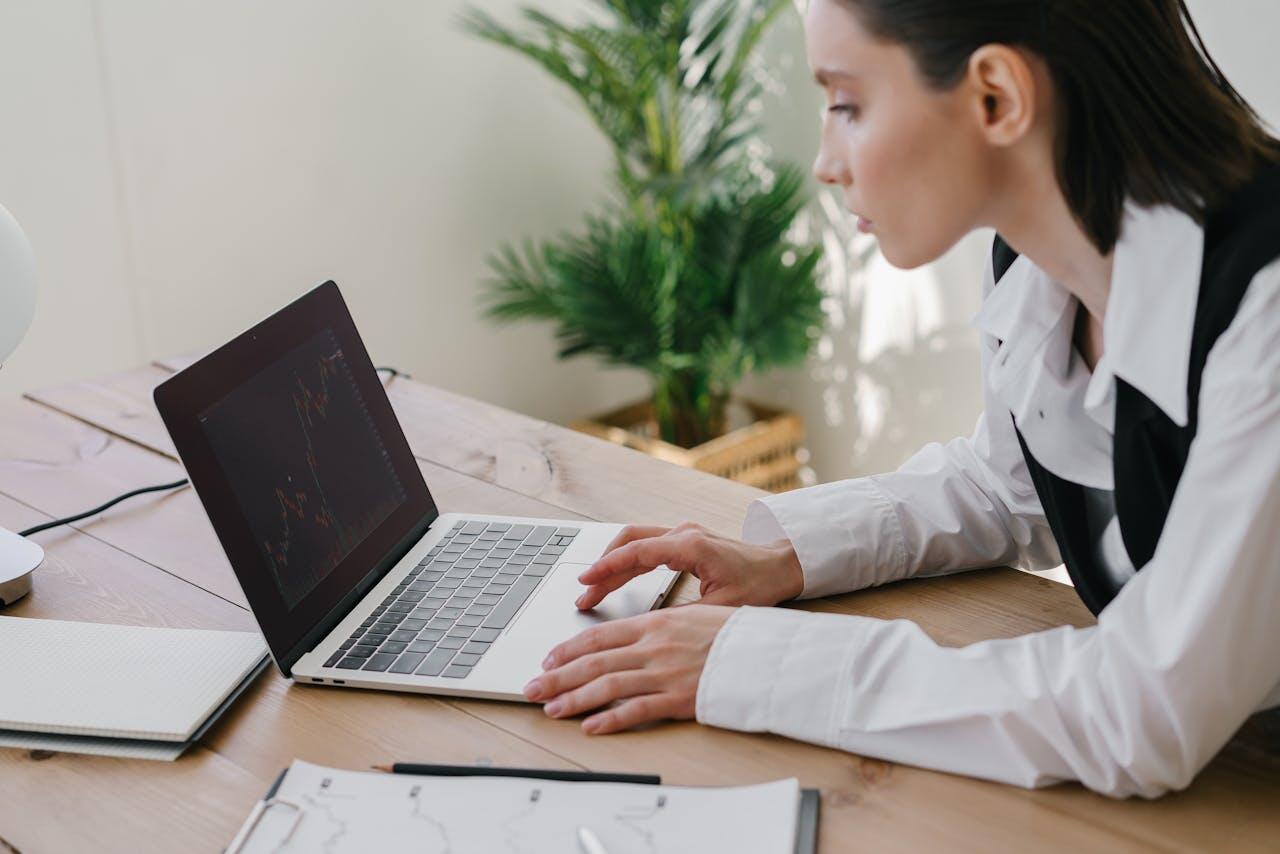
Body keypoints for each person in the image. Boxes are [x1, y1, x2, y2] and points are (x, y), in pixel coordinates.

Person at [520, 0, 1280, 798]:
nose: (824, 160)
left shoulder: (1263, 309)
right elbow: (1008, 486)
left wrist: (749, 661)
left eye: (847, 104)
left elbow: (1140, 710)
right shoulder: (1036, 263)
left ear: (996, 97)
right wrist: (787, 558)